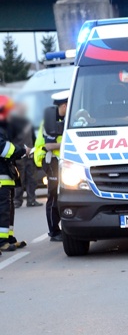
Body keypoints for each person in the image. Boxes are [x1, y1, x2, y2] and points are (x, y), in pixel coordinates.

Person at [34, 91, 68, 241]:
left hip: (61, 160)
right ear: (64, 105)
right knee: (54, 195)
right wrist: (66, 144)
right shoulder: (51, 120)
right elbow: (48, 145)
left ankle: (64, 227)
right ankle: (53, 231)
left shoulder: (67, 117)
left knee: (65, 194)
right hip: (50, 160)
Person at [0, 95, 28, 252]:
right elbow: (4, 149)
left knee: (8, 209)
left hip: (6, 177)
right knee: (3, 209)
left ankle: (9, 238)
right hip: (1, 178)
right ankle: (2, 241)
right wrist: (23, 151)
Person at [10, 104, 40, 208]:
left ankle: (31, 200)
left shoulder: (28, 122)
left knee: (32, 178)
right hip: (19, 155)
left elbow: (33, 137)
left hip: (30, 154)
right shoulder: (12, 123)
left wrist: (34, 149)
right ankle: (17, 201)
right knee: (20, 179)